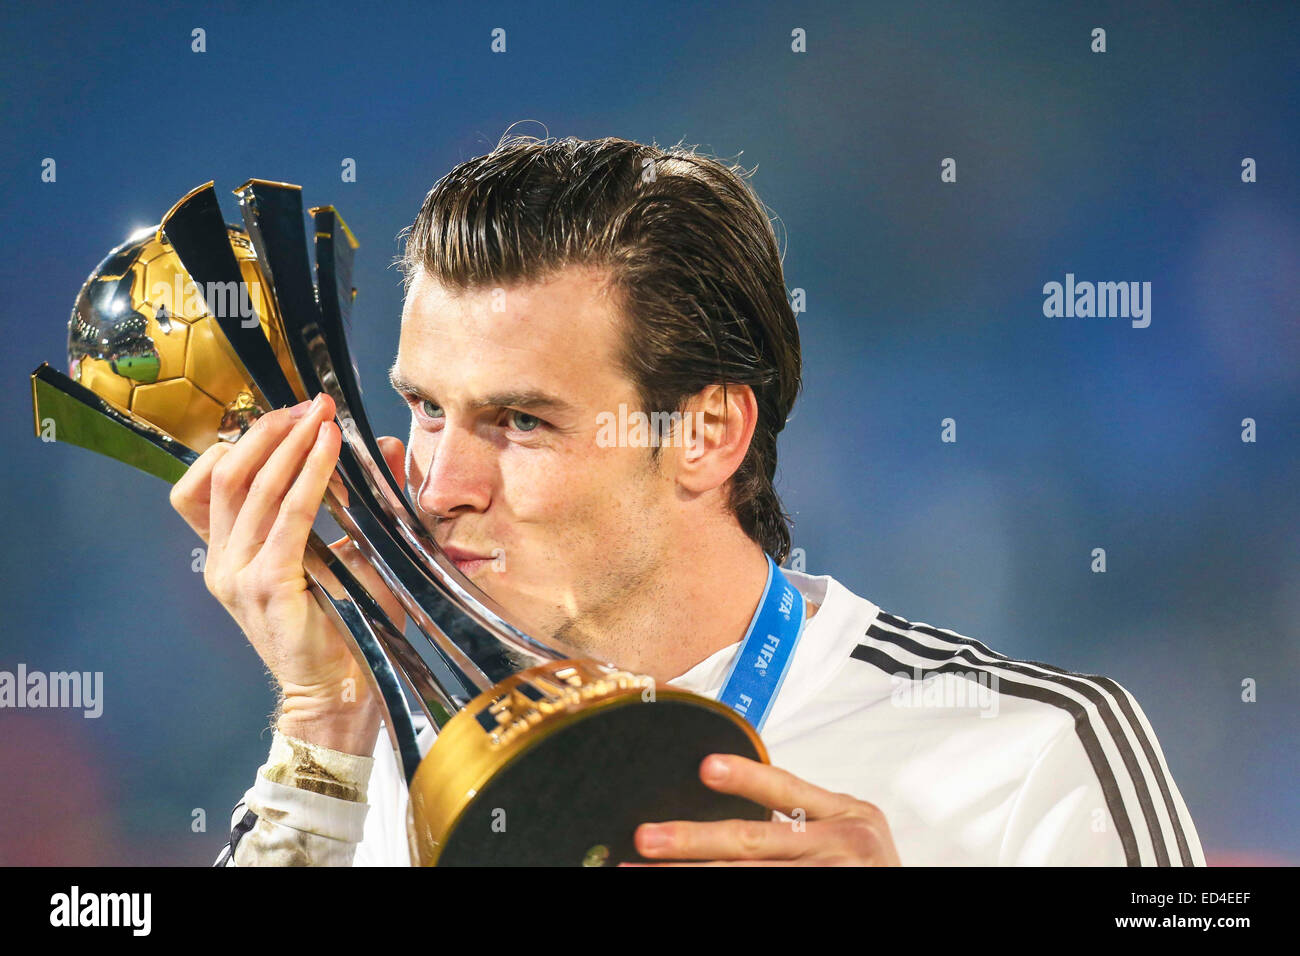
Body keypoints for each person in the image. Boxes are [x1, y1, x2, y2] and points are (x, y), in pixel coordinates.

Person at [170, 134, 1203, 866]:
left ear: (708, 434)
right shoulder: (383, 766)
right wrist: (323, 726)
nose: (439, 486)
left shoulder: (1033, 752)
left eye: (522, 423)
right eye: (426, 410)